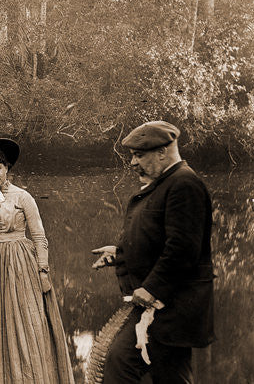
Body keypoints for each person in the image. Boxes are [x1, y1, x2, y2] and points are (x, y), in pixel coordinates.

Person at [91, 121, 214, 383]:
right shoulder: (166, 183)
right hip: (165, 307)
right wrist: (120, 253)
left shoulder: (184, 184)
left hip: (171, 307)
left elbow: (183, 249)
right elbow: (158, 239)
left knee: (118, 361)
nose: (133, 163)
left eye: (139, 155)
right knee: (170, 376)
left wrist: (153, 288)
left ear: (162, 152)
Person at [0, 137, 74, 384]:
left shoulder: (23, 197)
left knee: (25, 319)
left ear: (7, 168)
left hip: (21, 260)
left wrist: (43, 271)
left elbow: (40, 237)